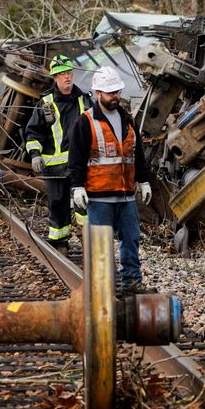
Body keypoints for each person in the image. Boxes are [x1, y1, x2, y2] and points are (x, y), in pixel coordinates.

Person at [68, 65, 153, 293]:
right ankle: (101, 288)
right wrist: (77, 187)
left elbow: (137, 154)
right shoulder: (86, 122)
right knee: (101, 245)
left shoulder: (127, 120)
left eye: (117, 91)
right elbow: (76, 158)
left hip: (126, 194)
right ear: (98, 94)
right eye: (110, 92)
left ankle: (131, 282)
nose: (115, 96)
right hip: (100, 195)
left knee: (132, 239)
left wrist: (143, 181)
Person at [24, 54, 88, 249]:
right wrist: (35, 155)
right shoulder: (46, 104)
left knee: (84, 205)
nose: (67, 77)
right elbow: (33, 132)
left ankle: (90, 241)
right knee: (58, 204)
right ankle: (60, 243)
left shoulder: (84, 100)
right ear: (55, 78)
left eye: (68, 73)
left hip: (80, 166)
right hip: (54, 167)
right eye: (62, 74)